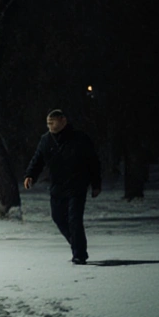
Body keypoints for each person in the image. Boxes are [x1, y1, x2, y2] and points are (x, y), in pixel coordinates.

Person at [23, 109, 102, 264]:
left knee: (74, 219)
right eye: (47, 123)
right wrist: (30, 175)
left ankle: (79, 254)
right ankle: (76, 244)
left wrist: (96, 184)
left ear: (63, 120)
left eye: (52, 122)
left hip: (76, 185)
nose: (49, 125)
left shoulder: (80, 139)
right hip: (57, 186)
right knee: (58, 218)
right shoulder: (46, 140)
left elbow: (93, 162)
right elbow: (37, 160)